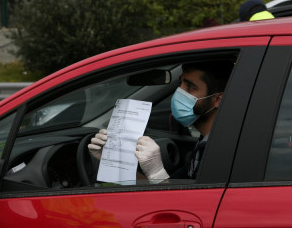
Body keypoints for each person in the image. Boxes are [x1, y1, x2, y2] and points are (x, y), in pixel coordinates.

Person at [88, 60, 234, 181]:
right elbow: (165, 188)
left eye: (190, 87)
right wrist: (111, 160)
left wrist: (157, 173)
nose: (179, 92)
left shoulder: (222, 152)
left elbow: (193, 205)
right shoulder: (203, 144)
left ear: (217, 99)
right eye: (181, 84)